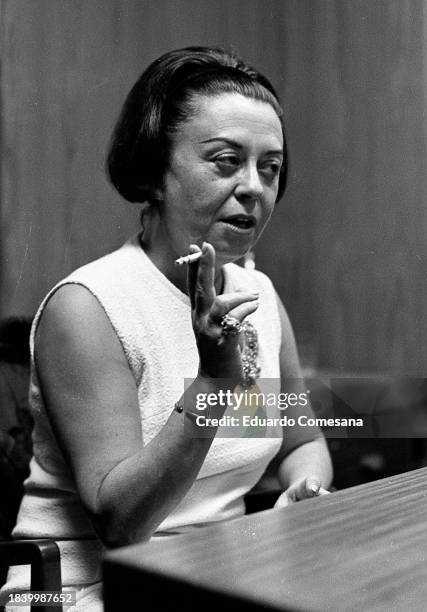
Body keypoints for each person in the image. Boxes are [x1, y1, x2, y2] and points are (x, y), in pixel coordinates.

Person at [2, 46, 332, 611]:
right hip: (80, 590)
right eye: (226, 161)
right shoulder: (87, 306)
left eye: (270, 168)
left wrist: (306, 492)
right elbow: (121, 524)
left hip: (217, 579)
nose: (255, 187)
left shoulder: (259, 296)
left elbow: (303, 443)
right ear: (155, 172)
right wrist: (214, 382)